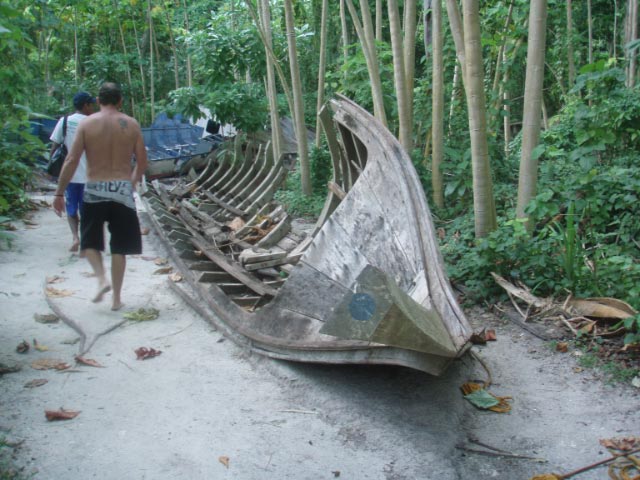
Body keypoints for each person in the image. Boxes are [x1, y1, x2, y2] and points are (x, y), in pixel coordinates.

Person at [53, 82, 148, 311]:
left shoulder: (87, 124)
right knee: (120, 247)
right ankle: (116, 299)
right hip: (122, 189)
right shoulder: (131, 125)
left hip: (95, 187)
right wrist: (131, 184)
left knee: (89, 242)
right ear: (120, 101)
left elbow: (71, 160)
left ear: (98, 100)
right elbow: (142, 162)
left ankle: (101, 279)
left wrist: (59, 192)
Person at [49, 91, 96, 252]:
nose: (94, 107)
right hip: (90, 176)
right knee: (88, 210)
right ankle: (86, 239)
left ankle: (75, 237)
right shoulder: (94, 123)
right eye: (91, 104)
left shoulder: (64, 122)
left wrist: (52, 168)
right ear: (86, 105)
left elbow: (55, 146)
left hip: (70, 175)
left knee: (71, 208)